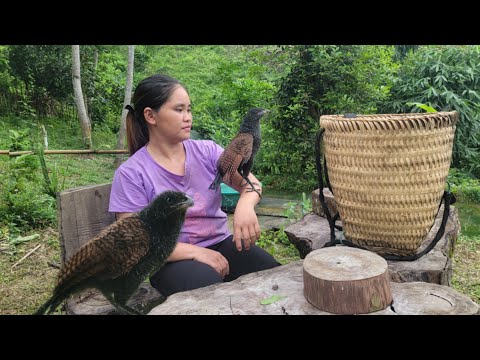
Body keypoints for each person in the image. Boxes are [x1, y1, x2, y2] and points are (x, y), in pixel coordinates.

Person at [109, 74, 280, 297]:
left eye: (189, 109)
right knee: (213, 295)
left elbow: (251, 184)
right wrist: (196, 253)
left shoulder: (207, 152)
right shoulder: (132, 173)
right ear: (150, 116)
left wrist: (245, 205)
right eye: (179, 110)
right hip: (171, 259)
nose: (188, 117)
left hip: (222, 243)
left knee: (274, 276)